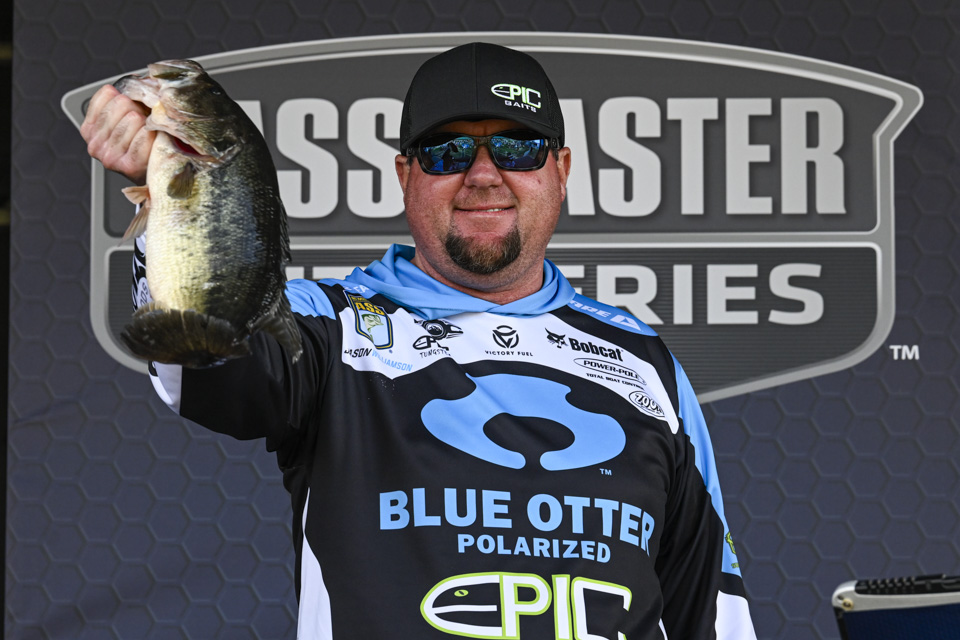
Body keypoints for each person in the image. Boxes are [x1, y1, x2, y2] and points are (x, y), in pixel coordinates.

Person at [81, 42, 756, 640]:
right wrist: (174, 192)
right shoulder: (330, 325)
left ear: (561, 169)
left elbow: (712, 609)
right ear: (405, 175)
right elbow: (204, 367)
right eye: (447, 151)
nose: (483, 175)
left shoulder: (643, 361)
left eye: (517, 148)